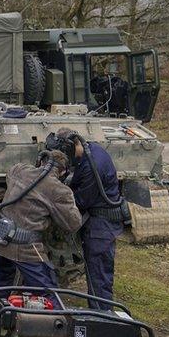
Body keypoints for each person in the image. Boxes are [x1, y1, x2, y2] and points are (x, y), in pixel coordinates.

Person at [0, 150, 83, 308]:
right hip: (25, 247)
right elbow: (73, 224)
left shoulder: (19, 170)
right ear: (63, 172)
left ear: (41, 161)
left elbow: (11, 176)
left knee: (2, 285)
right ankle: (56, 326)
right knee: (48, 292)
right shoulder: (59, 190)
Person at [54, 127, 125, 310]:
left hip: (102, 223)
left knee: (98, 272)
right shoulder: (91, 149)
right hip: (100, 219)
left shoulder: (93, 166)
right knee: (97, 270)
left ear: (71, 146)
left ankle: (102, 315)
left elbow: (81, 201)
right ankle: (100, 310)